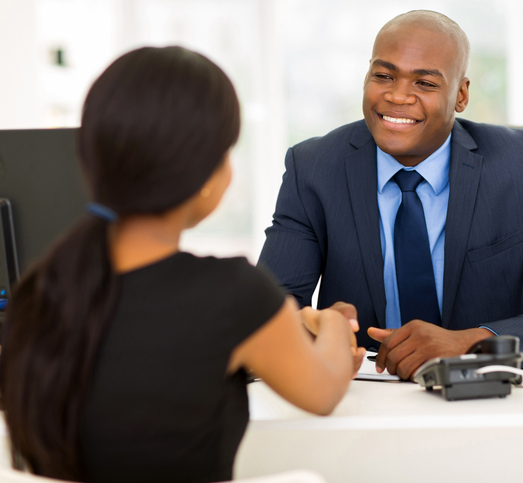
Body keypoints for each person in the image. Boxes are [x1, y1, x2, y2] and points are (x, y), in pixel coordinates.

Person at [0, 46, 364, 483]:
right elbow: (322, 390)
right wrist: (333, 329)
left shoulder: (38, 291)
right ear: (207, 176)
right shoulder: (233, 293)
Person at [258, 10, 523, 380]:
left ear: (461, 95)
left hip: (487, 397)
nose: (397, 96)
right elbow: (266, 315)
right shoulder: (313, 167)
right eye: (383, 76)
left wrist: (471, 343)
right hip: (361, 394)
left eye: (424, 83)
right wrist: (313, 327)